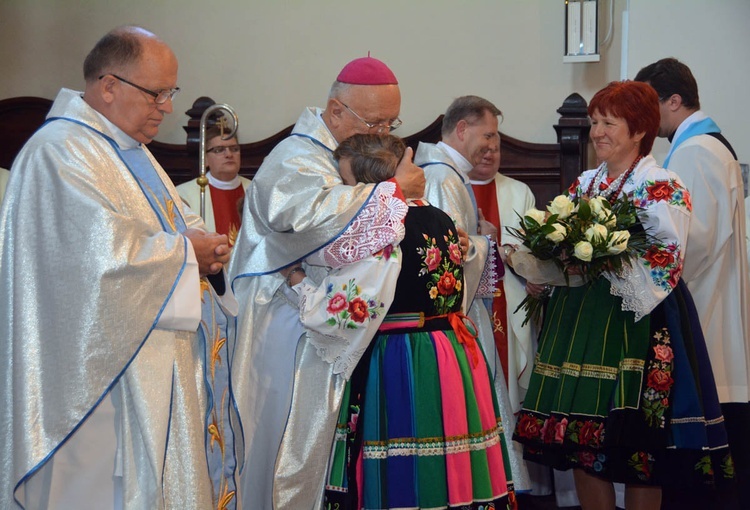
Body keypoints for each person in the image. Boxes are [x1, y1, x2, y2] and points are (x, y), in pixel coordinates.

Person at [0, 26, 242, 509]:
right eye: (158, 93)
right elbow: (96, 265)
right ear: (109, 86)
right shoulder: (59, 152)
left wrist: (208, 248)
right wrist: (183, 254)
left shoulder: (129, 150)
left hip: (150, 367)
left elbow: (172, 223)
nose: (168, 107)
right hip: (97, 390)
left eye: (169, 92)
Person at [510, 80, 732, 510]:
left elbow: (666, 258)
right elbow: (560, 249)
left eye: (609, 123)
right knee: (582, 440)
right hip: (579, 320)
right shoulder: (586, 183)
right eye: (595, 122)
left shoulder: (660, 183)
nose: (597, 132)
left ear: (638, 130)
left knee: (638, 446)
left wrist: (597, 261)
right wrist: (547, 267)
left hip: (639, 319)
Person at [228, 56, 425, 509]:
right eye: (376, 121)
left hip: (321, 322)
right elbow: (316, 229)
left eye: (393, 122)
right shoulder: (295, 157)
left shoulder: (343, 152)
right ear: (336, 111)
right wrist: (394, 191)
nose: (386, 134)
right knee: (289, 446)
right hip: (285, 327)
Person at [320, 133, 516, 509]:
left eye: (348, 184)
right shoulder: (438, 216)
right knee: (449, 451)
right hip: (453, 350)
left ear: (368, 185)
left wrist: (300, 288)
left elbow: (352, 303)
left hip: (404, 353)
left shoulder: (383, 227)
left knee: (407, 452)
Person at [635, 58, 750, 509]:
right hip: (711, 302)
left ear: (674, 101)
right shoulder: (705, 145)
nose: (645, 119)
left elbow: (690, 244)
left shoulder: (695, 151)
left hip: (703, 307)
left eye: (649, 105)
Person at [414, 95, 529, 491]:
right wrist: (482, 242)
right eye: (488, 135)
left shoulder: (445, 173)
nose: (492, 145)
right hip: (453, 319)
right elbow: (447, 258)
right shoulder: (442, 178)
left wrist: (478, 240)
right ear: (462, 129)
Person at [176, 124, 250, 246]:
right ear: (205, 160)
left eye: (234, 149)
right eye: (219, 150)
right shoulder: (183, 195)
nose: (229, 154)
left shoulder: (255, 190)